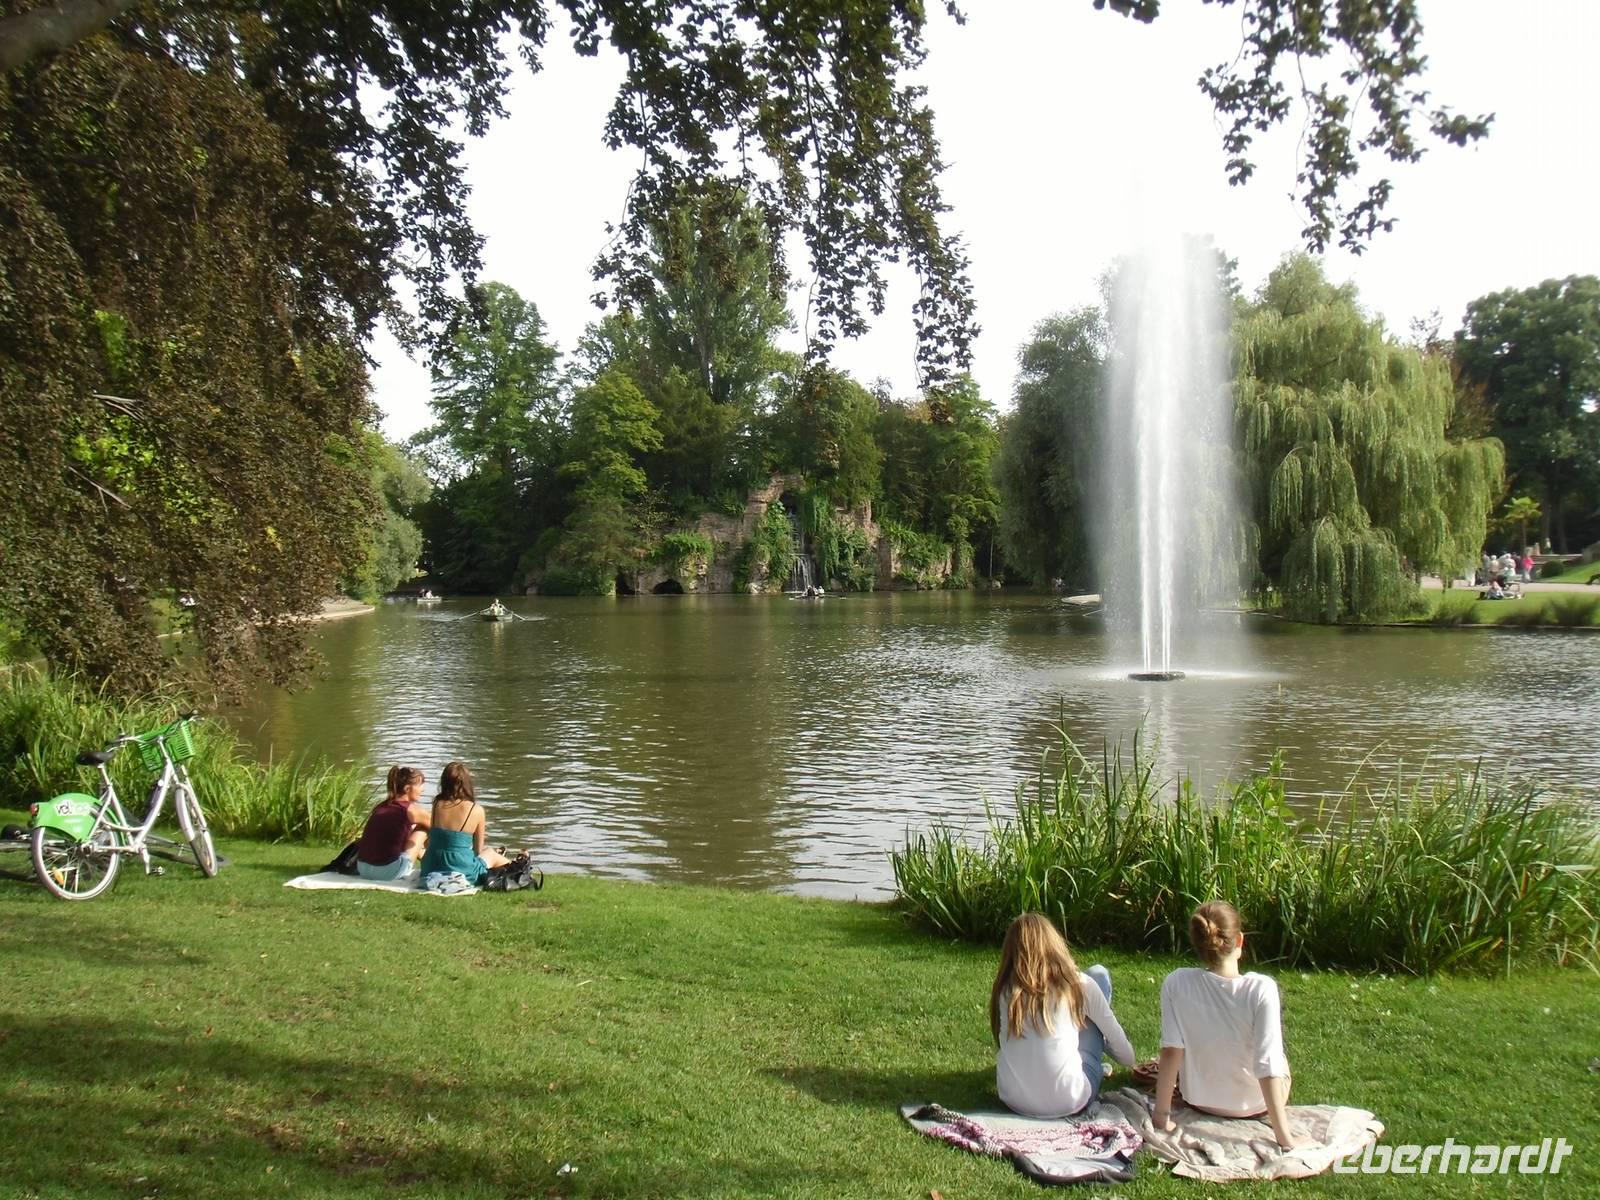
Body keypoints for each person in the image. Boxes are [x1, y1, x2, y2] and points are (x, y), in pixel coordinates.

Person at [1153, 901, 1305, 1150]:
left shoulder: (1176, 982)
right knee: (1279, 1058)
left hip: (1198, 1099)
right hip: (1253, 1106)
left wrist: (1161, 1116)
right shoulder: (1261, 989)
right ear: (1240, 940)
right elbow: (1268, 1065)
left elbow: (1171, 1050)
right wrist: (1284, 1137)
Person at [990, 912, 1137, 1118]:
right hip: (1069, 1099)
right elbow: (1128, 1057)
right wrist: (1104, 1042)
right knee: (1099, 974)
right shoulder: (1079, 984)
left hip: (1014, 1100)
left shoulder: (1006, 991)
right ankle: (1092, 1059)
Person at [417, 761, 512, 885]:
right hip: (461, 869)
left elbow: (435, 839)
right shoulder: (476, 810)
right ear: (467, 783)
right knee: (490, 853)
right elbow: (478, 851)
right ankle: (519, 871)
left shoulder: (437, 804)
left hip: (431, 867)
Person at [355, 766, 432, 881]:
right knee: (422, 828)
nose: (423, 789)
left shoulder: (381, 806)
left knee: (411, 831)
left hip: (363, 869)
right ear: (407, 789)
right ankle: (432, 865)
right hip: (388, 872)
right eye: (420, 785)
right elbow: (439, 827)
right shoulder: (412, 810)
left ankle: (427, 861)